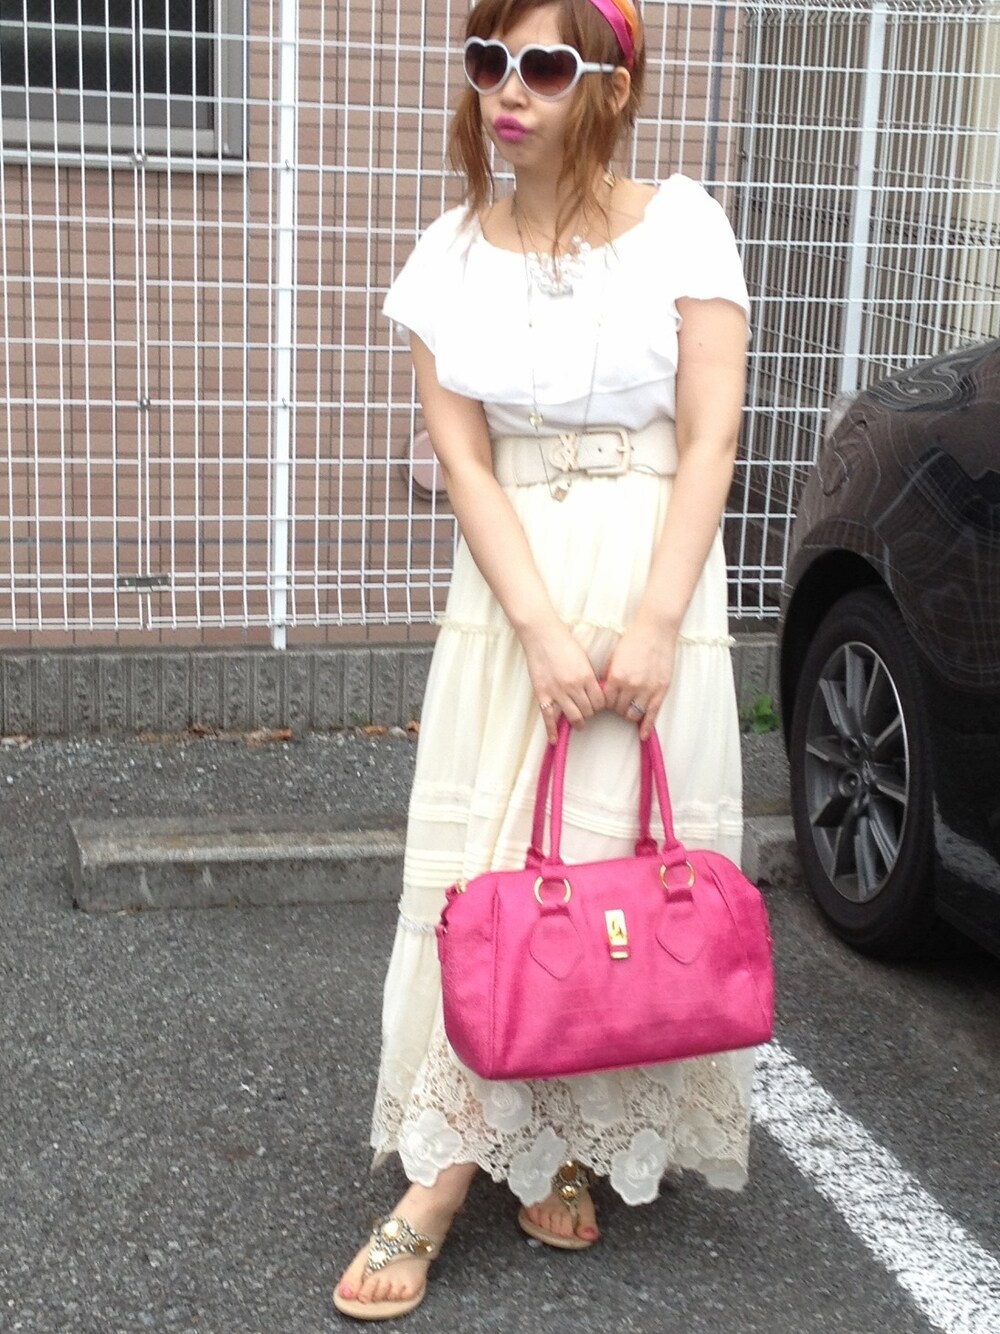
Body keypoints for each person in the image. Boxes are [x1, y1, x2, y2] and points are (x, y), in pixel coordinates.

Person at [334, 0, 751, 1320]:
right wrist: (537, 626)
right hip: (514, 587)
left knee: (605, 867)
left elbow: (712, 436)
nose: (508, 90)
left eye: (545, 66)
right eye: (489, 61)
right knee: (498, 869)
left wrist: (653, 620)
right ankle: (452, 1169)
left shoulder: (684, 225)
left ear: (608, 86)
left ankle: (544, 1142)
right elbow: (462, 458)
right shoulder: (447, 255)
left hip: (649, 575)